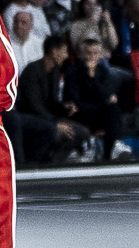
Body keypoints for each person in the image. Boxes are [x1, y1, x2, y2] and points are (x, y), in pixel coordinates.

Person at [5, 34, 87, 166]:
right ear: (54, 51)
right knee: (53, 131)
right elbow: (34, 106)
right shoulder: (32, 71)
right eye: (64, 51)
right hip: (30, 117)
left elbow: (51, 103)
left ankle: (51, 162)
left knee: (81, 132)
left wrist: (64, 108)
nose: (66, 56)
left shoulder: (55, 72)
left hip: (47, 117)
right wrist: (55, 124)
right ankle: (34, 163)